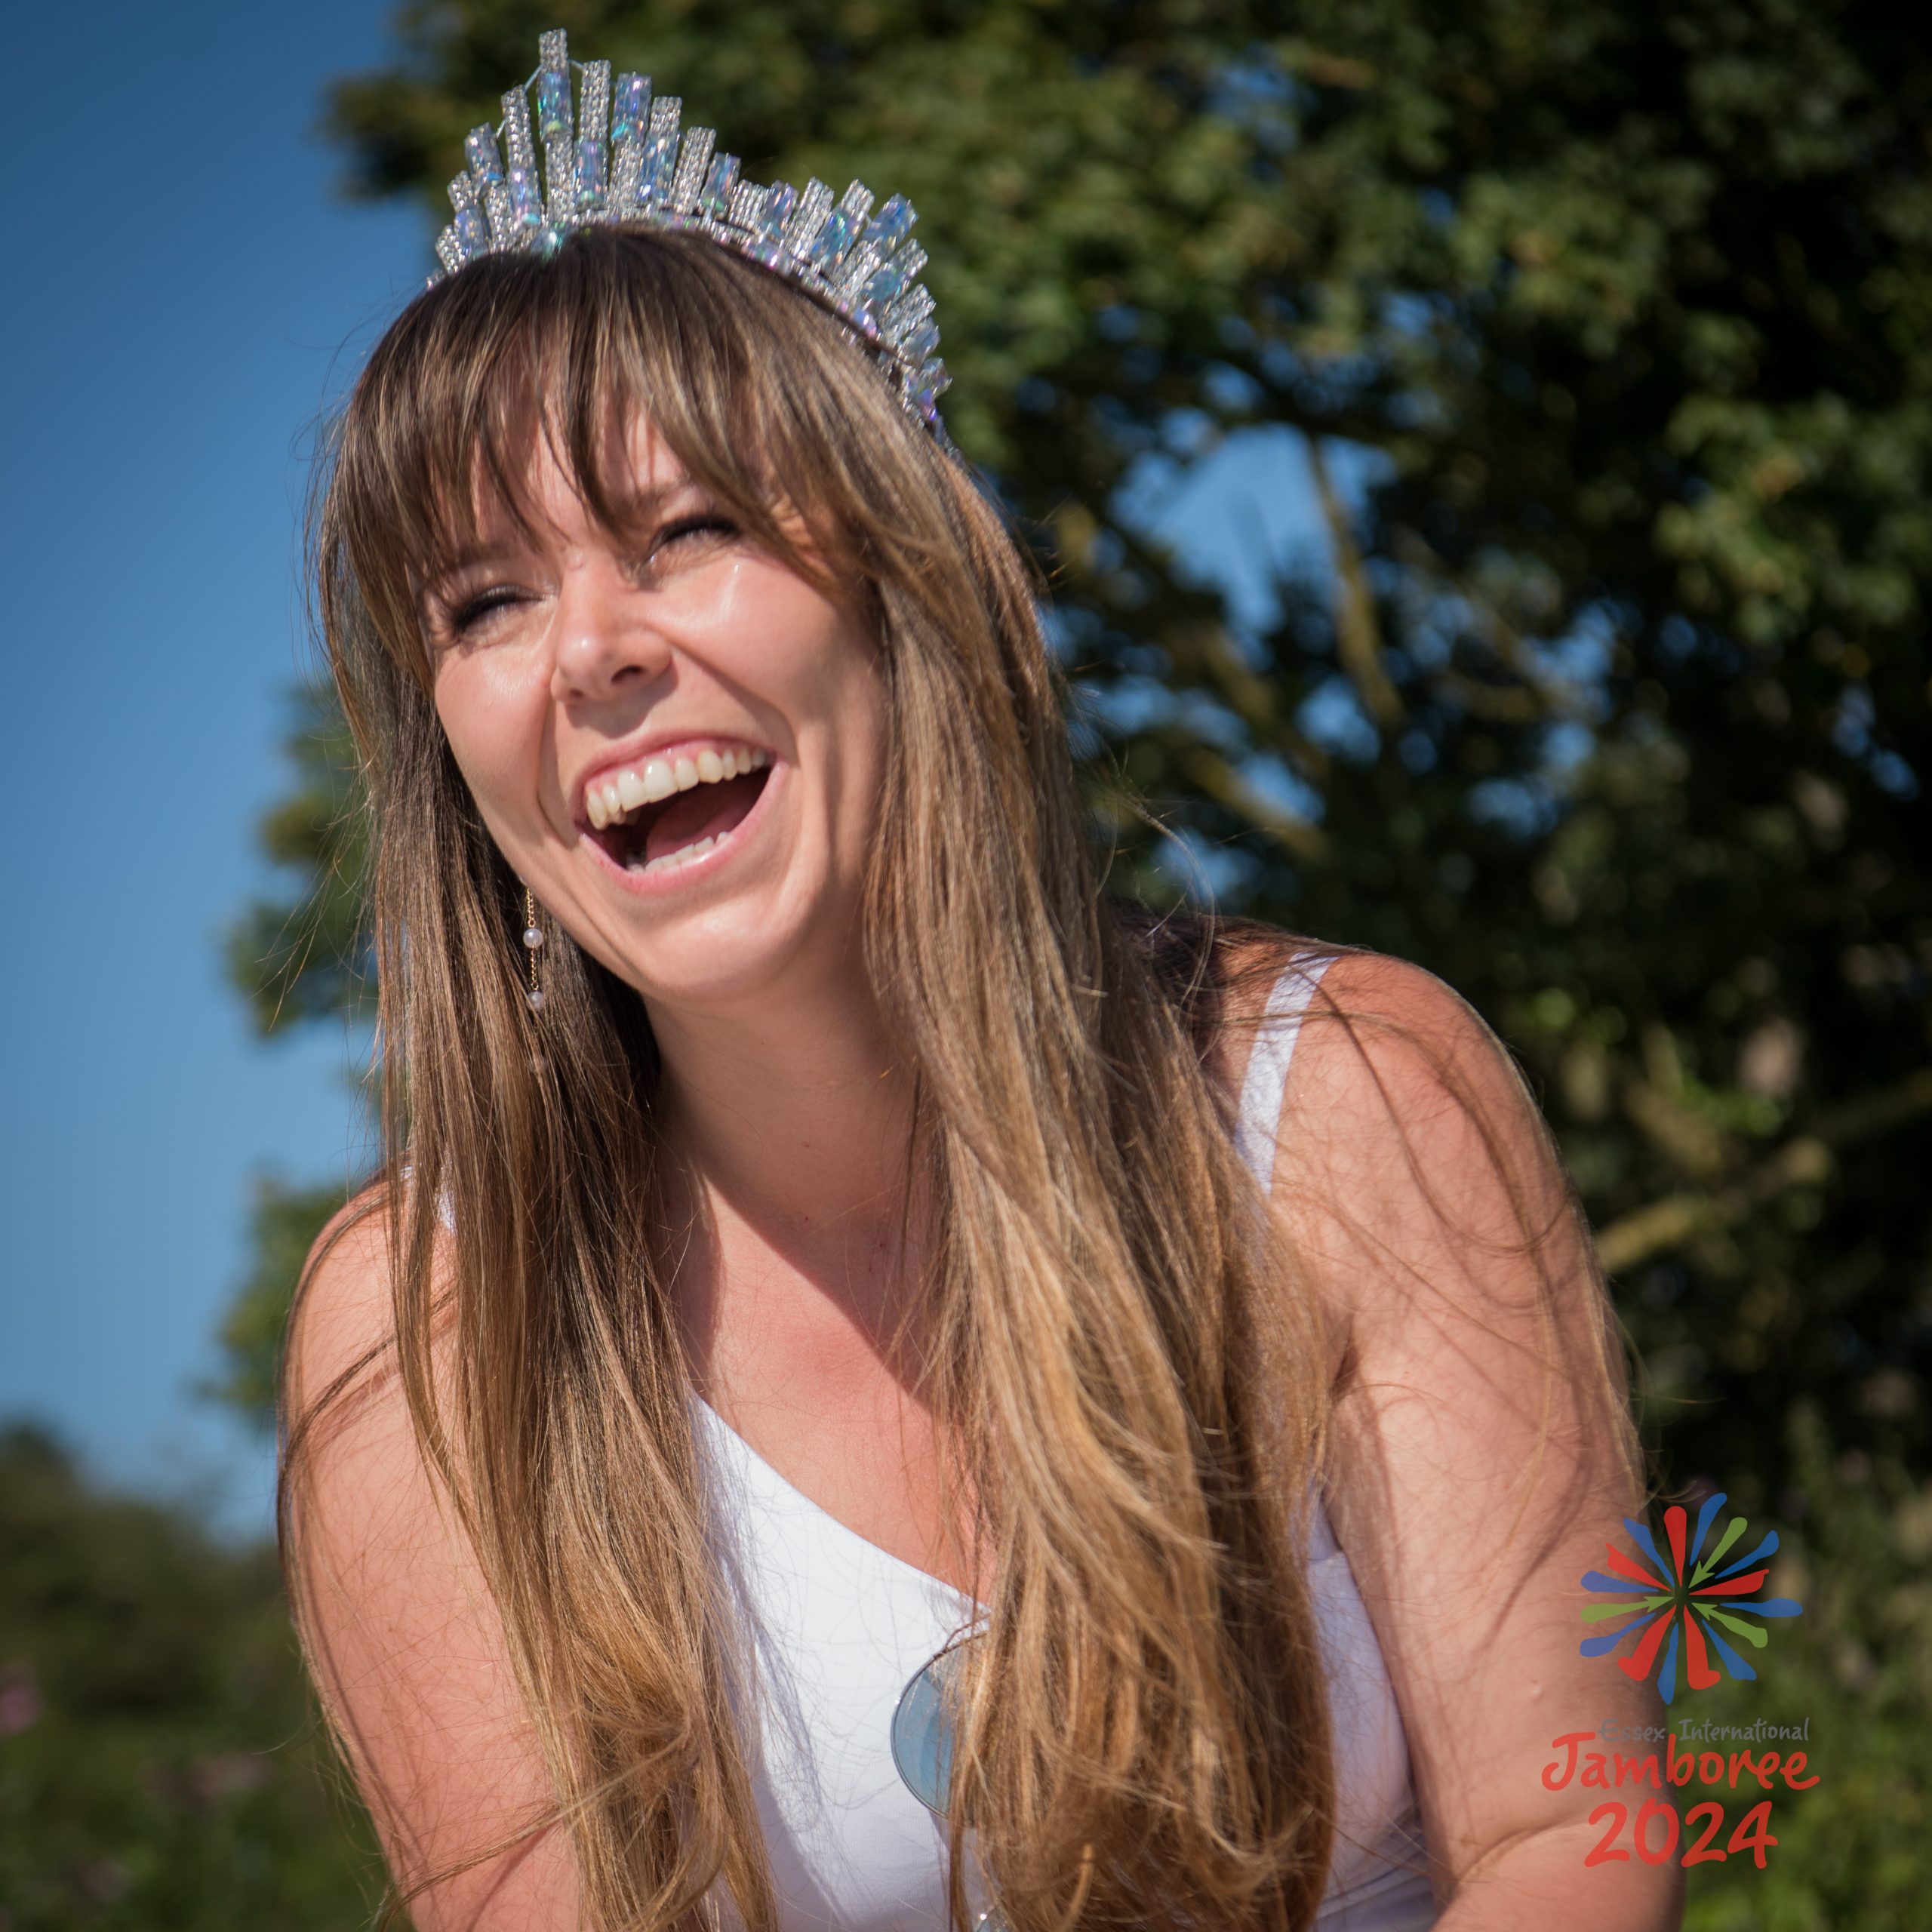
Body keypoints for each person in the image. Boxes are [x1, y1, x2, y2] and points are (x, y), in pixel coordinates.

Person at [281, 32, 1681, 1932]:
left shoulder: (1343, 1098)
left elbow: (1571, 1834)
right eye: (484, 600)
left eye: (682, 530)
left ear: (910, 581)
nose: (585, 652)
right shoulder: (430, 1326)